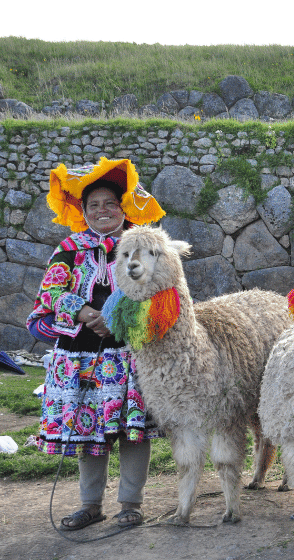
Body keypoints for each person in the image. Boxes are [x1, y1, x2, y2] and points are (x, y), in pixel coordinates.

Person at [27, 157, 165, 530]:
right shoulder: (70, 248)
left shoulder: (143, 244)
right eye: (94, 205)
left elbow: (162, 292)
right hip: (81, 359)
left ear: (123, 207)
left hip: (131, 353)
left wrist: (116, 316)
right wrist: (85, 311)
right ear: (83, 211)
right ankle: (90, 505)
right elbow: (51, 292)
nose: (102, 211)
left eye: (110, 203)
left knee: (131, 430)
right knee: (88, 430)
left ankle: (131, 503)